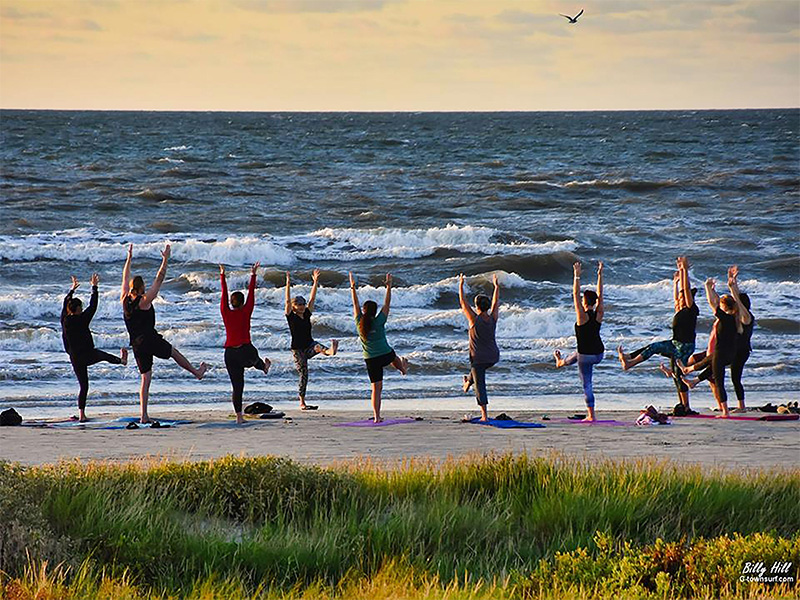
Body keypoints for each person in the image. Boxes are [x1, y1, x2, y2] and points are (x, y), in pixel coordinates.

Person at [121, 243, 209, 423]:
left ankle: (143, 415)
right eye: (144, 286)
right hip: (149, 339)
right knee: (174, 353)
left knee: (145, 378)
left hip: (136, 344)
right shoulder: (143, 301)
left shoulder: (124, 299)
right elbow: (159, 280)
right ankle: (196, 373)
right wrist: (165, 260)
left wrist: (129, 258)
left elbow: (125, 278)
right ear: (140, 289)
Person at [618, 256, 698, 411]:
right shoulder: (680, 309)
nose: (680, 300)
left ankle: (630, 361)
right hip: (676, 344)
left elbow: (686, 291)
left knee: (675, 370)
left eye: (683, 298)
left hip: (684, 347)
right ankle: (685, 406)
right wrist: (677, 278)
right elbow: (678, 295)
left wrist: (685, 270)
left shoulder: (691, 309)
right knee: (673, 370)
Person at [679, 266, 752, 414]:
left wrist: (709, 288)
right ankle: (691, 375)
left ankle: (731, 409)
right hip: (731, 351)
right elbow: (727, 303)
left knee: (727, 378)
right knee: (710, 362)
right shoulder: (735, 318)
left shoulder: (742, 318)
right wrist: (732, 284)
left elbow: (717, 304)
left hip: (738, 351)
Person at [61, 274, 127, 422]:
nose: (82, 309)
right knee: (103, 356)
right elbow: (93, 306)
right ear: (78, 309)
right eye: (81, 307)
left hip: (75, 358)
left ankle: (82, 415)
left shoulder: (64, 319)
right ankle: (122, 361)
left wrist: (71, 291)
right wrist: (94, 288)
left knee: (84, 386)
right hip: (87, 354)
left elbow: (65, 304)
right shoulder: (82, 319)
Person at [349, 271, 408, 423]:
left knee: (376, 389)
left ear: (364, 311)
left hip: (371, 360)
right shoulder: (379, 320)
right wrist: (389, 287)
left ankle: (376, 417)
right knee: (394, 357)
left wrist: (352, 287)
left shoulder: (359, 323)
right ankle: (402, 369)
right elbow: (387, 304)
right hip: (385, 354)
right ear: (375, 312)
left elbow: (355, 304)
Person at [221, 262, 271, 424]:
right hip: (245, 351)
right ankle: (263, 366)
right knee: (255, 357)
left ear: (231, 302)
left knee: (237, 386)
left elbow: (223, 294)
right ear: (242, 303)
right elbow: (252, 293)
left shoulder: (225, 312)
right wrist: (253, 274)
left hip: (229, 354)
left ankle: (239, 417)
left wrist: (222, 276)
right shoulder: (247, 310)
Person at [554, 261, 605, 422]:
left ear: (584, 303)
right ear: (594, 302)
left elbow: (575, 295)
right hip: (599, 354)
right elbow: (601, 294)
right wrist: (600, 274)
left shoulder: (581, 316)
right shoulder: (599, 313)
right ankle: (561, 362)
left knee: (587, 385)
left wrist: (576, 275)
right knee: (574, 355)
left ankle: (591, 415)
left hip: (585, 356)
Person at [285, 269, 338, 411]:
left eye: (303, 304)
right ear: (294, 307)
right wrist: (288, 284)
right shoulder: (291, 317)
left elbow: (312, 299)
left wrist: (315, 282)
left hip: (309, 345)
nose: (302, 307)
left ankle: (331, 351)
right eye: (299, 305)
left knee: (319, 346)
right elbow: (286, 302)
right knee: (304, 374)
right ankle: (302, 402)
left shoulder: (307, 314)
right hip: (298, 350)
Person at [458, 273, 500, 422]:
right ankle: (467, 382)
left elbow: (463, 303)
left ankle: (484, 416)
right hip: (494, 356)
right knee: (476, 371)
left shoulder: (474, 320)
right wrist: (496, 287)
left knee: (480, 384)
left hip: (479, 358)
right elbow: (496, 303)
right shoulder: (493, 318)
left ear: (476, 307)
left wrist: (461, 285)